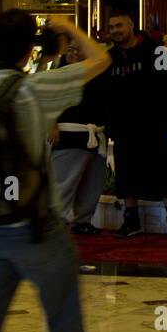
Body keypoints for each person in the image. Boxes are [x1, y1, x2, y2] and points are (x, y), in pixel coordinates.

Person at [0, 11, 111, 332]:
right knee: (63, 316)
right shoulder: (36, 88)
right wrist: (68, 27)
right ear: (29, 48)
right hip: (36, 227)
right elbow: (101, 59)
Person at [100, 10, 167, 238]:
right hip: (123, 128)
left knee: (164, 171)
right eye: (111, 28)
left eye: (119, 25)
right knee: (126, 174)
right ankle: (131, 220)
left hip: (154, 126)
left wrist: (165, 120)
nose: (115, 31)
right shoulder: (108, 58)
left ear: (131, 25)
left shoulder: (156, 51)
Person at [46, 27, 109, 237]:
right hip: (68, 135)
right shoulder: (57, 72)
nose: (73, 53)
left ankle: (83, 219)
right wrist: (52, 124)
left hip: (94, 134)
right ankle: (57, 221)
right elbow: (48, 100)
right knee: (64, 183)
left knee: (91, 183)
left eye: (78, 49)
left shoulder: (95, 72)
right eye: (70, 49)